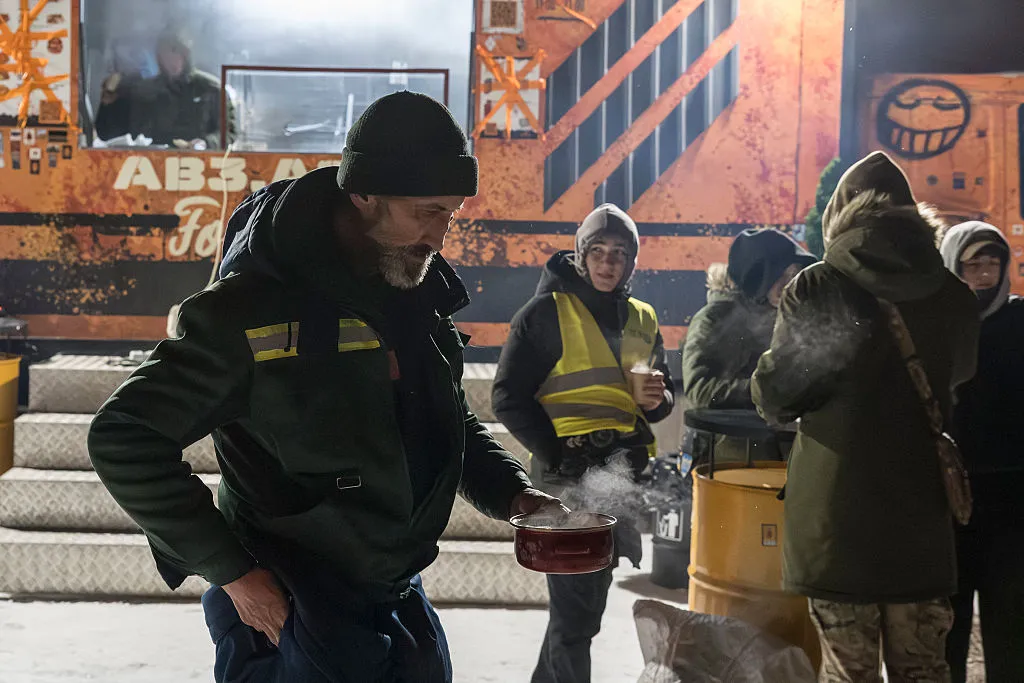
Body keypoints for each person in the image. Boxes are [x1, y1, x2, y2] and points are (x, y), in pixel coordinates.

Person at [88, 92, 563, 683]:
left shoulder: (411, 292)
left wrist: (514, 494)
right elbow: (123, 436)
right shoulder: (247, 312)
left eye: (451, 214)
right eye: (428, 212)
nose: (441, 236)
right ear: (363, 195)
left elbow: (444, 421)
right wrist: (232, 572)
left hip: (392, 591)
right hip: (289, 605)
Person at [751, 151, 979, 683]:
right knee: (923, 670)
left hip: (838, 527)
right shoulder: (954, 297)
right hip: (921, 520)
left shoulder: (817, 286)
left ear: (842, 215)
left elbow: (779, 394)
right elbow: (959, 377)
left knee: (849, 674)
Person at [491, 203, 675, 683]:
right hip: (568, 483)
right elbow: (508, 398)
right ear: (580, 255)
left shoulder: (642, 317)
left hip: (618, 477)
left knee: (582, 613)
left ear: (632, 261)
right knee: (576, 619)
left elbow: (660, 398)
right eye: (598, 251)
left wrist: (658, 399)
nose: (608, 262)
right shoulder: (544, 315)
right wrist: (557, 458)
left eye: (620, 253)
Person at [939, 222, 1024, 683]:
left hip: (1011, 498)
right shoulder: (939, 328)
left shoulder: (1019, 321)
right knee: (946, 622)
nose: (986, 274)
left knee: (1010, 620)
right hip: (950, 497)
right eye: (974, 264)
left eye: (994, 262)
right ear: (954, 267)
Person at [681, 228, 815, 463]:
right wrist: (760, 388)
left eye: (795, 275)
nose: (791, 284)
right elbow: (699, 389)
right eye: (783, 275)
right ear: (760, 277)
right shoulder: (713, 319)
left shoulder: (785, 316)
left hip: (783, 449)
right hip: (728, 451)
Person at [95, 28, 235, 150]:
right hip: (150, 166)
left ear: (186, 54)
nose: (170, 58)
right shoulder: (144, 89)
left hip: (199, 167)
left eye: (176, 51)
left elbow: (229, 132)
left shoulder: (211, 89)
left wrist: (205, 144)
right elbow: (108, 134)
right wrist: (109, 103)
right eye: (165, 52)